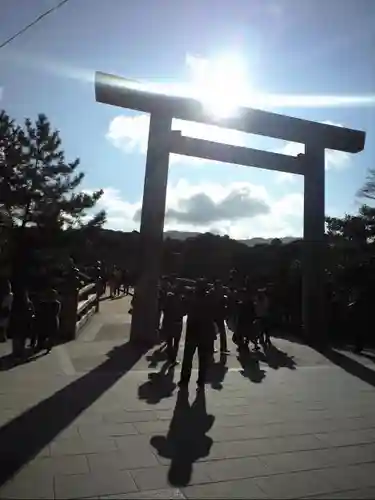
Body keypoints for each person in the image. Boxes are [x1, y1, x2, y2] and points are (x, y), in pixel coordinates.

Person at [179, 279, 216, 389]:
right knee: (203, 359)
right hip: (204, 333)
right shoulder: (209, 299)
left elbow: (183, 311)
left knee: (188, 358)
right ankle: (201, 380)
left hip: (193, 332)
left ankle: (185, 380)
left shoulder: (191, 298)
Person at [162, 290, 185, 364]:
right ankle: (173, 359)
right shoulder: (181, 301)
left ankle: (169, 356)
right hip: (177, 323)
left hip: (169, 323)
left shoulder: (169, 300)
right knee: (176, 342)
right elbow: (184, 312)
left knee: (169, 341)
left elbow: (164, 310)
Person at [212, 280, 230, 355]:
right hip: (214, 315)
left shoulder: (218, 293)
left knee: (221, 332)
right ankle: (217, 348)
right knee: (213, 332)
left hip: (219, 315)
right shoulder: (213, 293)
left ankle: (223, 348)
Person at [0, 278, 13, 342]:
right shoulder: (10, 295)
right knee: (4, 324)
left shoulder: (8, 296)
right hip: (7, 309)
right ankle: (4, 337)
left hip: (6, 309)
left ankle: (3, 337)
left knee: (3, 324)